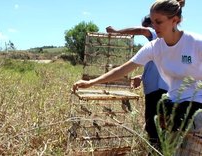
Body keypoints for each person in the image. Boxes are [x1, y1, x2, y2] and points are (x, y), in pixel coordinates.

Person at [73, 0, 201, 154]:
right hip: (173, 108)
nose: (154, 26)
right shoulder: (154, 47)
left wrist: (117, 31)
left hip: (197, 108)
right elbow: (123, 69)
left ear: (175, 20)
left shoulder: (195, 43)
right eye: (153, 22)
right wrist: (91, 82)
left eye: (159, 22)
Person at [106, 15, 168, 149]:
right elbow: (157, 67)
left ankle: (157, 151)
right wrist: (141, 77)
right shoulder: (160, 44)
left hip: (157, 91)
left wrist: (116, 32)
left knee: (153, 125)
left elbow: (141, 30)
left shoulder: (156, 34)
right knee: (159, 125)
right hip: (160, 90)